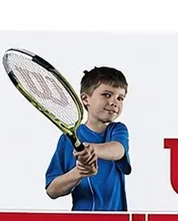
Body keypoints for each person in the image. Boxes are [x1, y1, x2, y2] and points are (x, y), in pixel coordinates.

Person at [45, 67, 131, 211]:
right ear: (85, 99)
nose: (114, 102)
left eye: (120, 98)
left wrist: (92, 150)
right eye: (106, 95)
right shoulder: (67, 139)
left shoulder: (117, 130)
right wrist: (79, 172)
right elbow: (52, 190)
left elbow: (118, 150)